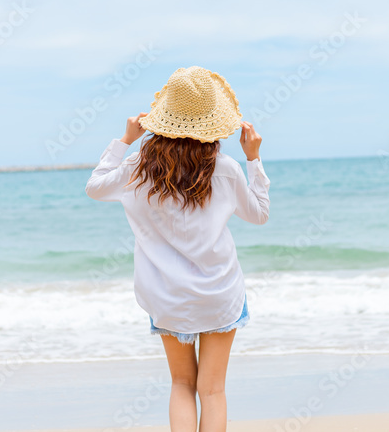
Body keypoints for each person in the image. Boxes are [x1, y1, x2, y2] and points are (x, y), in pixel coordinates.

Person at [85, 65, 270, 432]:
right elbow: (259, 214)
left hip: (166, 295)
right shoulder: (226, 167)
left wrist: (124, 140)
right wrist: (253, 158)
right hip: (219, 292)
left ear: (163, 118)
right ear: (213, 124)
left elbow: (95, 187)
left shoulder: (139, 168)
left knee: (182, 384)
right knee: (212, 391)